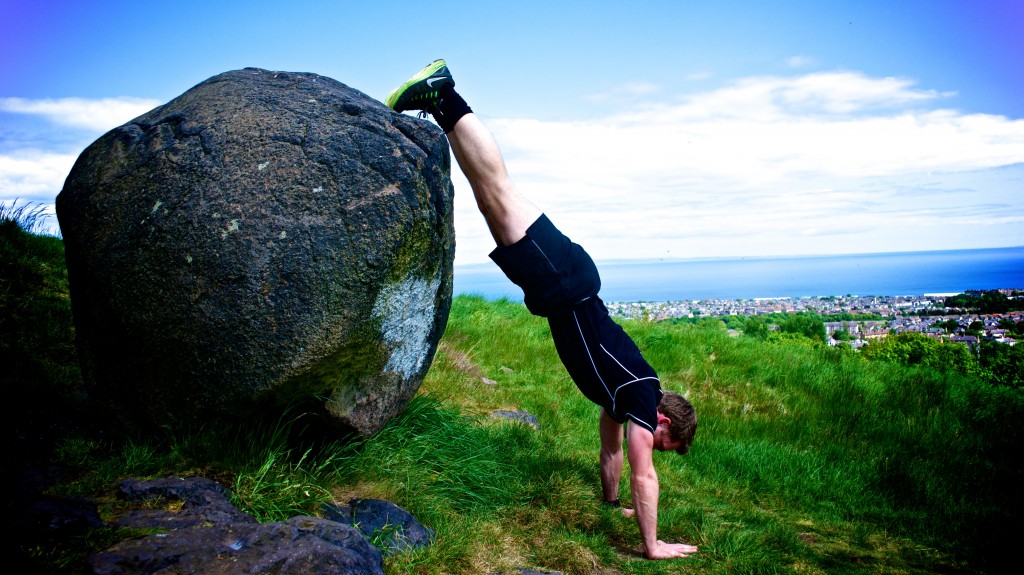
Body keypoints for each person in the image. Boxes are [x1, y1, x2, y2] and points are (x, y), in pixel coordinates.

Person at [386, 60, 699, 560]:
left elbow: (612, 452)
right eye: (666, 444)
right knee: (499, 191)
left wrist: (612, 502)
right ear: (665, 423)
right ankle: (446, 95)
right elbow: (644, 472)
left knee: (491, 200)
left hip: (565, 286)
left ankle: (443, 108)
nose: (657, 449)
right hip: (565, 281)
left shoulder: (627, 398)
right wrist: (652, 544)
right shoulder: (643, 399)